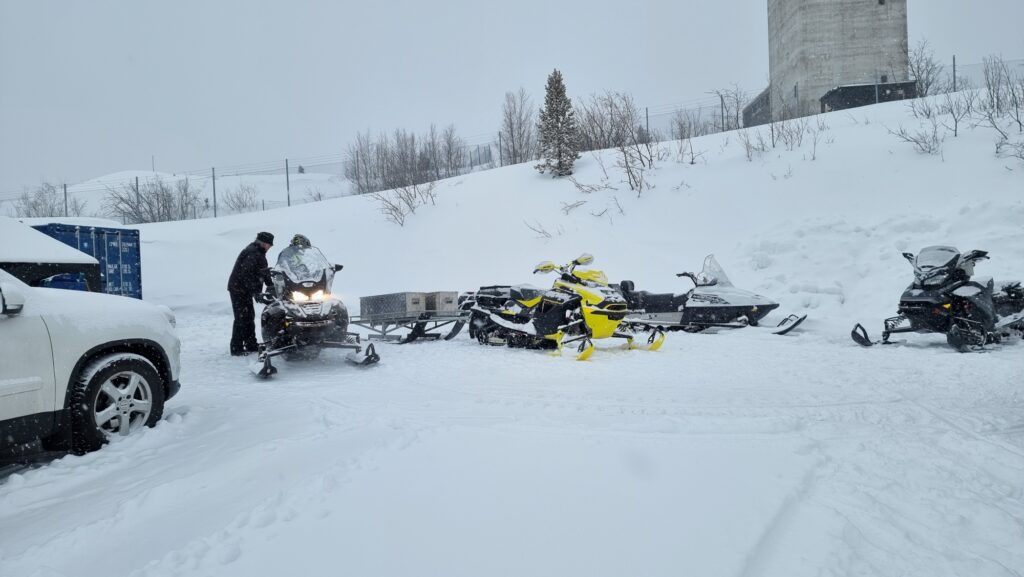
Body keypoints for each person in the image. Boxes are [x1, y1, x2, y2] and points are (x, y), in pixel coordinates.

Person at [227, 231, 274, 355]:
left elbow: (263, 272)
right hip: (238, 289)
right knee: (241, 318)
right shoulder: (253, 253)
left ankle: (251, 344)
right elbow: (246, 275)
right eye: (269, 245)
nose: (270, 248)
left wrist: (272, 285)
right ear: (264, 243)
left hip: (243, 289)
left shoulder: (258, 252)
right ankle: (236, 348)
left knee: (248, 316)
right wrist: (256, 292)